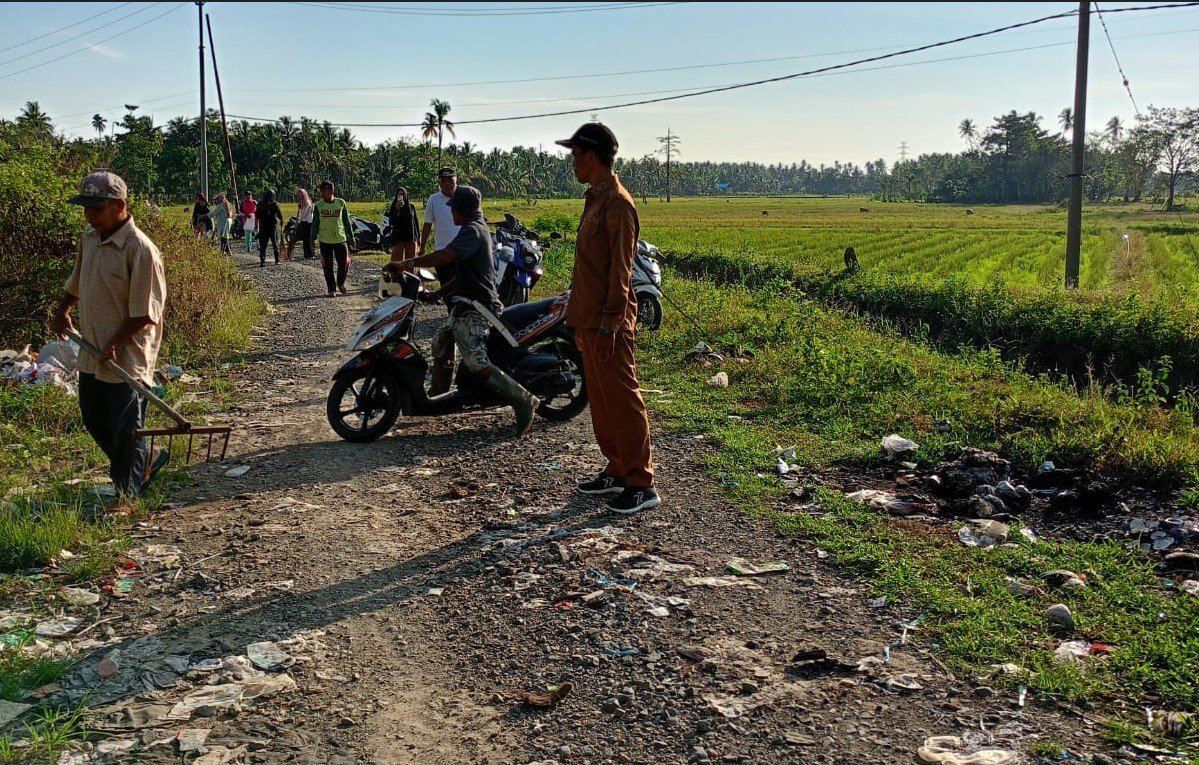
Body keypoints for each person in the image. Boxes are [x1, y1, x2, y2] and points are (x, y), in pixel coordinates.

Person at [555, 123, 659, 515]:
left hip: (608, 322)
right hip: (588, 318)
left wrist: (612, 323)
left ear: (593, 156)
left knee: (623, 399)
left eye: (576, 155)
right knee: (601, 402)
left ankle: (641, 482)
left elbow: (620, 270)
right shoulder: (594, 199)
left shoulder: (618, 203)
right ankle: (617, 469)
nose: (573, 163)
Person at [47, 171, 168, 501]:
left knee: (126, 427)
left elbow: (145, 313)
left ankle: (127, 495)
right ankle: (149, 458)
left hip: (125, 353)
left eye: (96, 208)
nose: (89, 215)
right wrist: (63, 310)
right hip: (92, 345)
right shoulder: (90, 236)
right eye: (86, 208)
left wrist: (114, 343)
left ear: (119, 206)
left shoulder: (140, 250)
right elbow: (77, 280)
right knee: (93, 417)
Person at [392, 185, 536, 437]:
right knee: (441, 340)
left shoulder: (472, 231)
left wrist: (408, 263)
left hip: (479, 307)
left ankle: (523, 399)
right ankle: (437, 400)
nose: (452, 215)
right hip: (465, 303)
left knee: (475, 361)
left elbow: (446, 256)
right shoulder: (472, 230)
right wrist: (437, 294)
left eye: (454, 210)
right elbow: (464, 276)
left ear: (462, 211)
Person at [418, 167, 463, 395]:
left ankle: (458, 318)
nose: (447, 185)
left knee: (461, 290)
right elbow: (427, 224)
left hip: (462, 254)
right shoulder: (434, 200)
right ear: (439, 183)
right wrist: (421, 246)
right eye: (444, 181)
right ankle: (453, 316)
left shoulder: (463, 197)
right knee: (448, 294)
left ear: (456, 181)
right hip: (441, 253)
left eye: (451, 181)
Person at [312, 180, 356, 297]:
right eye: (321, 191)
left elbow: (346, 221)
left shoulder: (341, 203)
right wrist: (312, 238)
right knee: (328, 266)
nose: (322, 193)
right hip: (325, 240)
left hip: (340, 239)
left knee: (344, 263)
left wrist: (351, 236)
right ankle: (331, 289)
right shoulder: (318, 205)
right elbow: (315, 223)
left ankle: (340, 283)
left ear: (332, 191)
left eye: (324, 191)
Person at [386, 187, 419, 265]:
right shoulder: (394, 207)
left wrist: (418, 238)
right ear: (396, 196)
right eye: (399, 194)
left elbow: (416, 222)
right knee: (396, 262)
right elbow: (392, 222)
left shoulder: (411, 207)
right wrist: (397, 208)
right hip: (398, 238)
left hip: (410, 237)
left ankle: (410, 276)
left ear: (406, 195)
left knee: (410, 262)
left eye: (403, 194)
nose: (401, 196)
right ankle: (396, 277)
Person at [256, 188, 284, 267]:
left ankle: (262, 261)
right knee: (275, 243)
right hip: (272, 226)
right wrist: (281, 221)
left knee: (263, 244)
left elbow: (257, 215)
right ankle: (277, 260)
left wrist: (256, 225)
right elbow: (280, 215)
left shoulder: (260, 204)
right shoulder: (275, 204)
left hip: (263, 226)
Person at [295, 188, 315, 260]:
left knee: (308, 239)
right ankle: (307, 254)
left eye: (299, 195)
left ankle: (310, 254)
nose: (298, 196)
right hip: (304, 222)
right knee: (305, 239)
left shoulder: (307, 203)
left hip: (308, 222)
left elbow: (304, 214)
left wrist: (298, 221)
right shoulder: (302, 203)